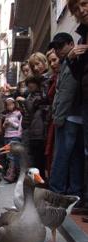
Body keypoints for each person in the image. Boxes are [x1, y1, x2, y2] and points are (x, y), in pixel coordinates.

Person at [48, 32, 84, 198]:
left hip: (69, 116)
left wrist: (58, 117)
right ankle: (74, 192)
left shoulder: (70, 61)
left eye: (60, 46)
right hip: (78, 116)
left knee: (62, 156)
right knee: (75, 157)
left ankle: (57, 192)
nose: (58, 50)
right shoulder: (70, 61)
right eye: (56, 47)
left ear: (71, 43)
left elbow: (65, 93)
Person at [67, 0, 88, 220]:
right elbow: (79, 74)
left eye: (84, 4)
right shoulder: (82, 36)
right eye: (76, 9)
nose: (81, 11)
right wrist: (72, 60)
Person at [20, 75, 48, 178]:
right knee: (31, 156)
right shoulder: (30, 95)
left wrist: (23, 101)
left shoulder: (40, 96)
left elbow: (31, 109)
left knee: (38, 158)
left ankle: (39, 179)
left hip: (38, 131)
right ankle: (33, 179)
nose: (30, 85)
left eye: (32, 83)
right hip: (30, 129)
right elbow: (27, 112)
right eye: (28, 84)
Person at [45, 49, 60, 176]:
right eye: (50, 62)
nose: (52, 64)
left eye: (54, 60)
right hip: (53, 119)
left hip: (61, 118)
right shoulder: (52, 78)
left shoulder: (62, 76)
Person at [3, 97, 22, 183]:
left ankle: (12, 174)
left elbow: (18, 126)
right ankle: (12, 173)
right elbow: (4, 126)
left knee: (13, 156)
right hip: (7, 136)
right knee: (8, 156)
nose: (9, 106)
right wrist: (5, 124)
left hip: (15, 136)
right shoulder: (7, 115)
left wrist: (11, 122)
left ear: (14, 104)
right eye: (7, 105)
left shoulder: (18, 113)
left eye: (11, 104)